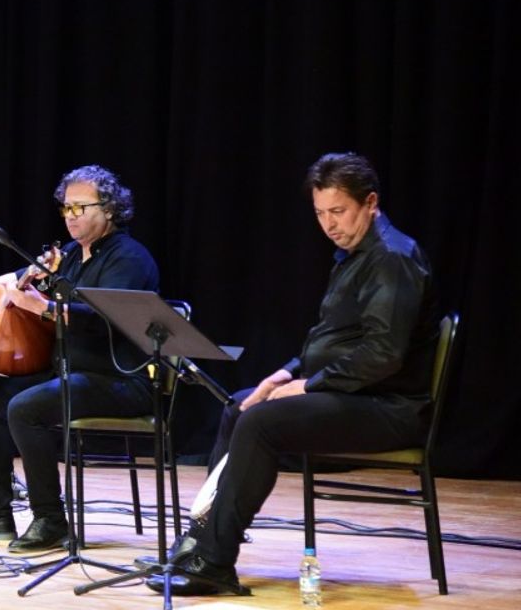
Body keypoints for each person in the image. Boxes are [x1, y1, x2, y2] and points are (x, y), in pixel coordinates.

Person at [150, 152, 440, 596]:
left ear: (371, 203)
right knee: (239, 406)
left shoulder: (391, 258)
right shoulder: (354, 254)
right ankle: (200, 540)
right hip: (355, 394)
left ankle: (215, 562)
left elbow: (382, 354)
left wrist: (310, 385)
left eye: (338, 211)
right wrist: (284, 375)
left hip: (390, 407)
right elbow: (328, 338)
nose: (329, 224)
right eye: (320, 213)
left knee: (260, 423)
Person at [0, 164, 160, 551]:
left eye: (81, 207)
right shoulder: (70, 255)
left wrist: (43, 307)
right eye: (66, 208)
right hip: (72, 375)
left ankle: (50, 519)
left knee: (25, 407)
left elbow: (103, 320)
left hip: (121, 380)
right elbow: (17, 278)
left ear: (109, 209)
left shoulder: (128, 258)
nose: (70, 216)